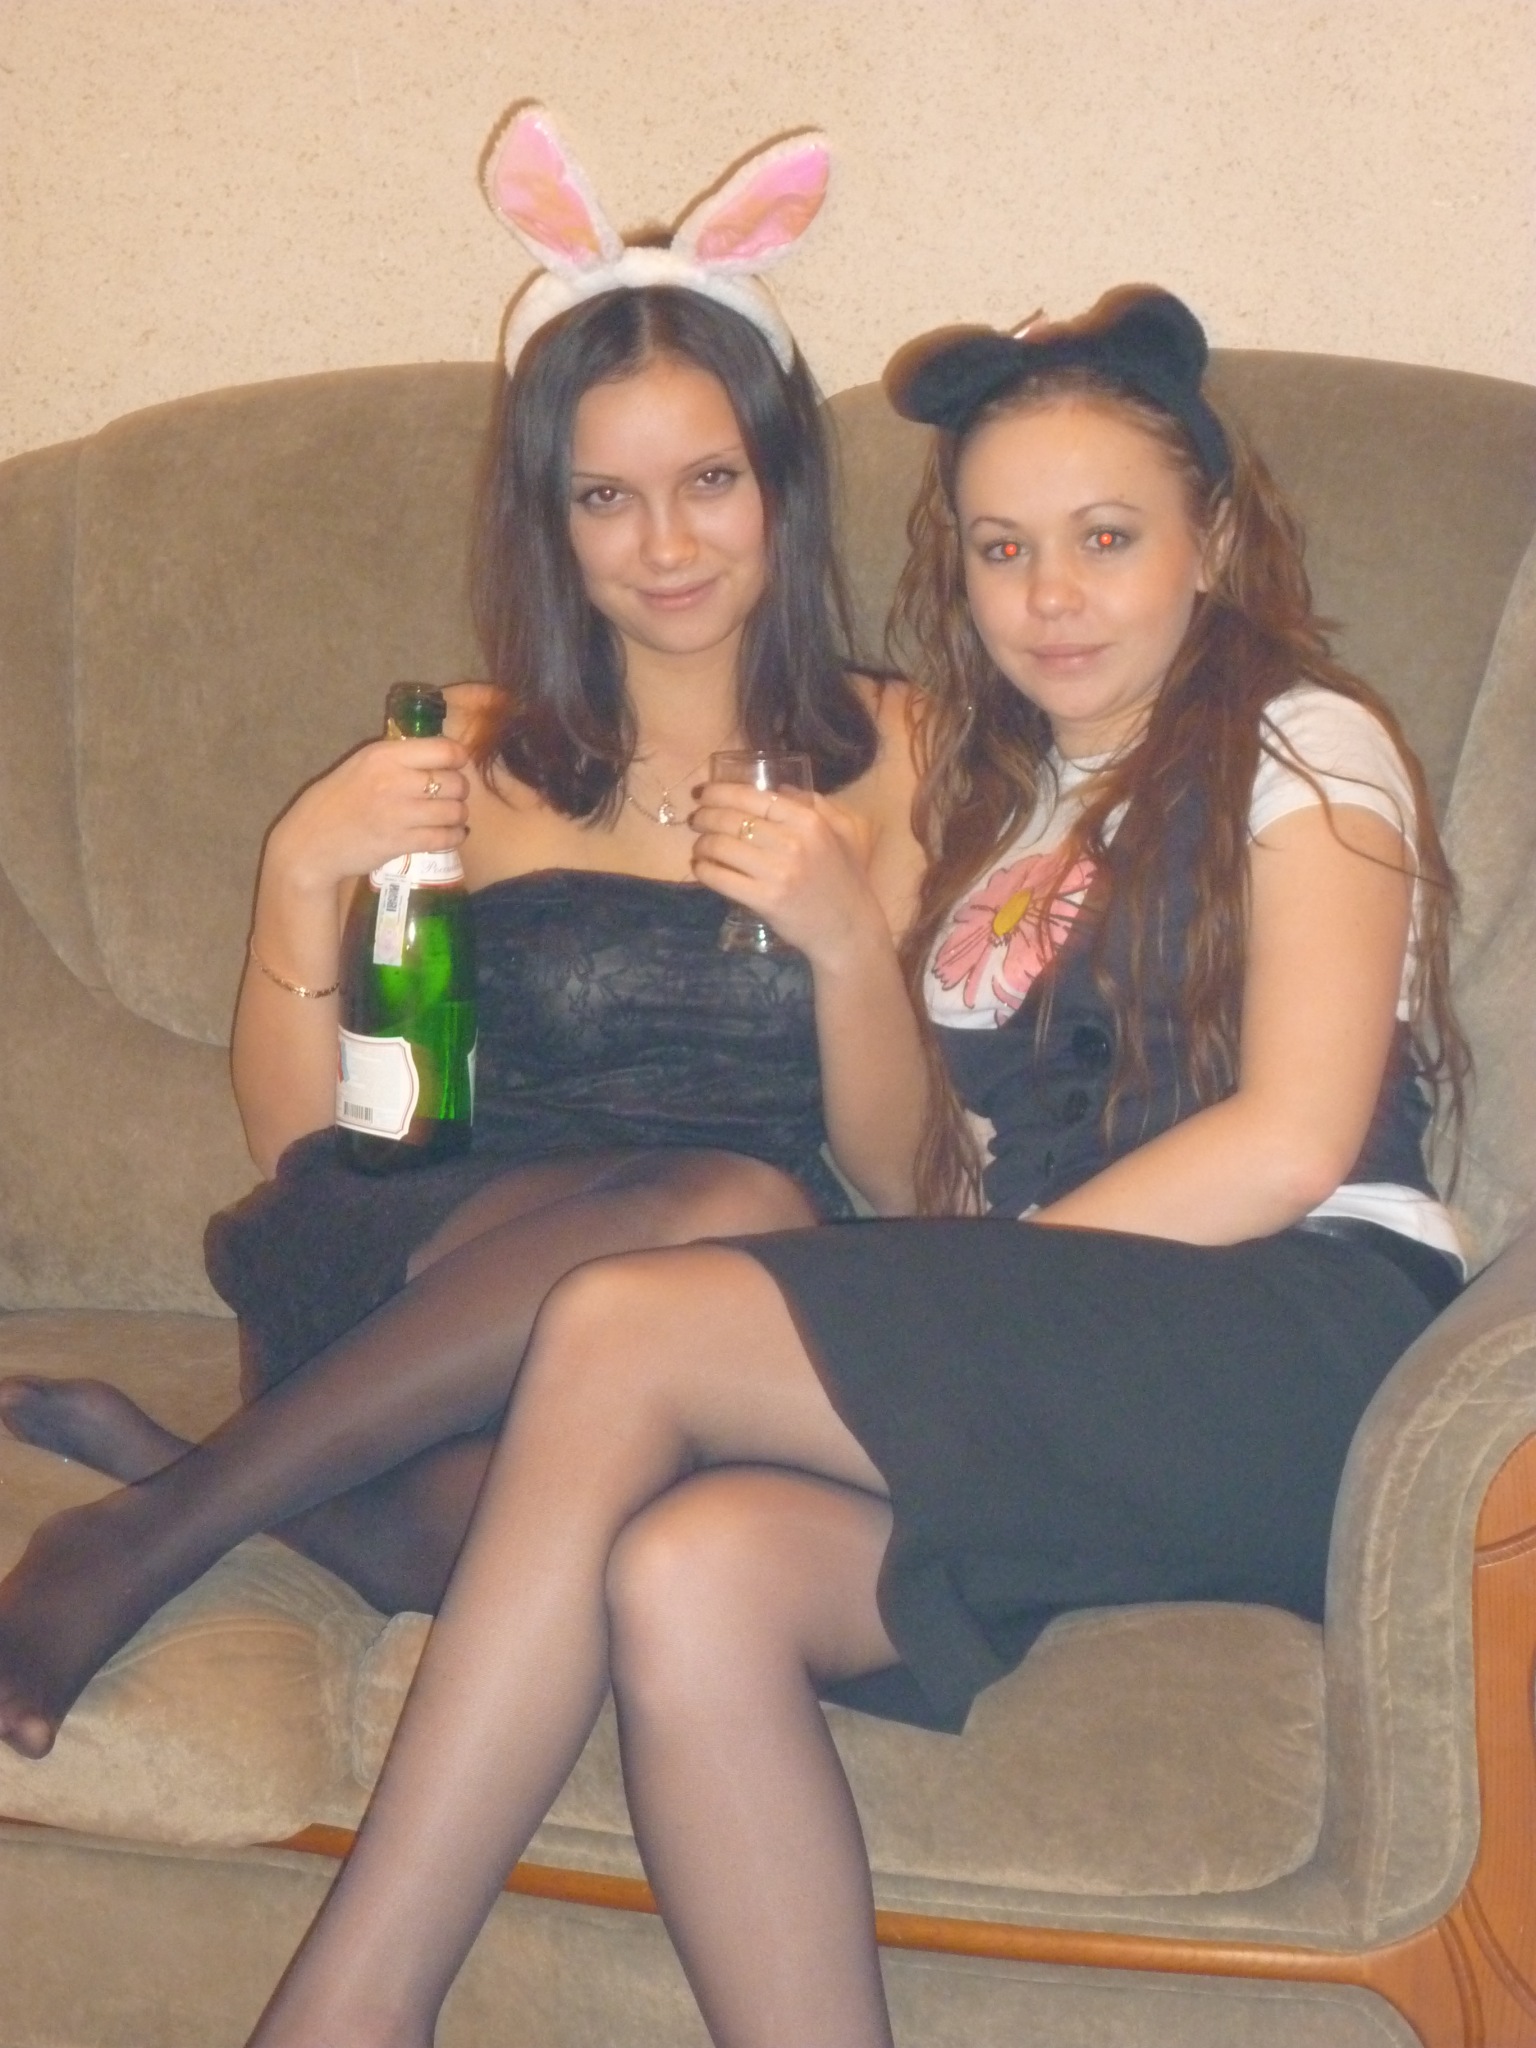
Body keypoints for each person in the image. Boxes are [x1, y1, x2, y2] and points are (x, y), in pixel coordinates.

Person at [223, 283, 1470, 2048]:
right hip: (1073, 1372)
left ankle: (352, 2010)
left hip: (1295, 1338)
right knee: (688, 1573)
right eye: (1002, 549)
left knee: (631, 1322)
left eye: (1107, 538)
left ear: (1210, 538)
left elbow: (1288, 1140)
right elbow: (940, 1176)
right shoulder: (1006, 805)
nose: (1052, 594)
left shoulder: (1301, 744)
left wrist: (962, 1290)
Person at [0, 113, 925, 1689]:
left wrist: (845, 942)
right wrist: (302, 872)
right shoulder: (466, 754)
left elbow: (908, 1185)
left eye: (710, 480)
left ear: (784, 478)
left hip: (720, 1329)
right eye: (604, 497)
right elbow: (300, 1149)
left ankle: (178, 1487)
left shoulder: (912, 754)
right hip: (428, 1296)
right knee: (727, 1195)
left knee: (617, 1526)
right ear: (549, 521)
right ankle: (145, 1542)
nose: (665, 545)